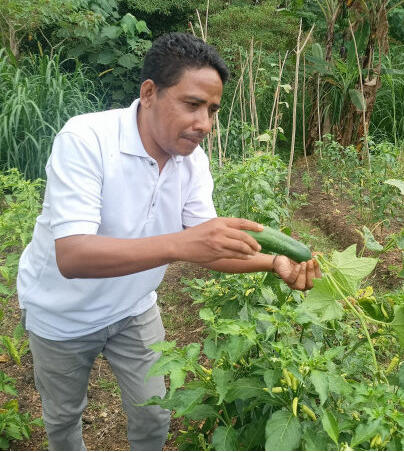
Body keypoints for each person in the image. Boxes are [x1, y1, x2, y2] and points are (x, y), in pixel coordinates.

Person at [16, 32, 321, 451]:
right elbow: (72, 255)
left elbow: (208, 246)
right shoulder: (86, 140)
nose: (205, 124)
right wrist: (181, 244)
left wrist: (273, 264)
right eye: (192, 104)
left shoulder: (191, 161)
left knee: (155, 413)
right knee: (65, 418)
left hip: (134, 309)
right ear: (148, 93)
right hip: (63, 317)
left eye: (212, 110)